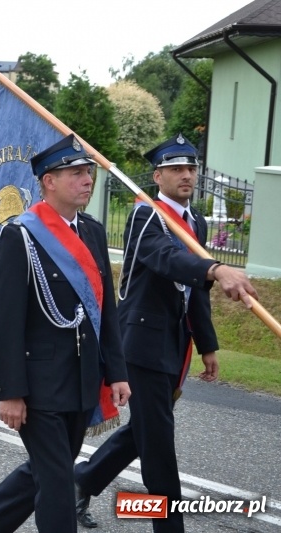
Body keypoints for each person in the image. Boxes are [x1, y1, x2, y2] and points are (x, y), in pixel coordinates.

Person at [73, 134, 258, 532]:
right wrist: (214, 268)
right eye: (176, 169)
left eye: (191, 168)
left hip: (174, 345)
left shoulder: (197, 223)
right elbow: (164, 258)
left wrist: (207, 344)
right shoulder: (147, 215)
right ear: (158, 176)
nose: (186, 175)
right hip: (140, 343)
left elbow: (193, 293)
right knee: (158, 446)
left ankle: (81, 482)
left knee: (145, 430)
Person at [0, 134, 130, 533]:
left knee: (49, 466)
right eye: (75, 173)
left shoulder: (91, 231)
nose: (87, 180)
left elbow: (105, 311)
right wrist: (11, 391)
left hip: (81, 378)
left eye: (88, 172)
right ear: (48, 181)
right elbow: (2, 323)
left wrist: (117, 371)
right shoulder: (20, 235)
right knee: (57, 481)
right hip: (38, 385)